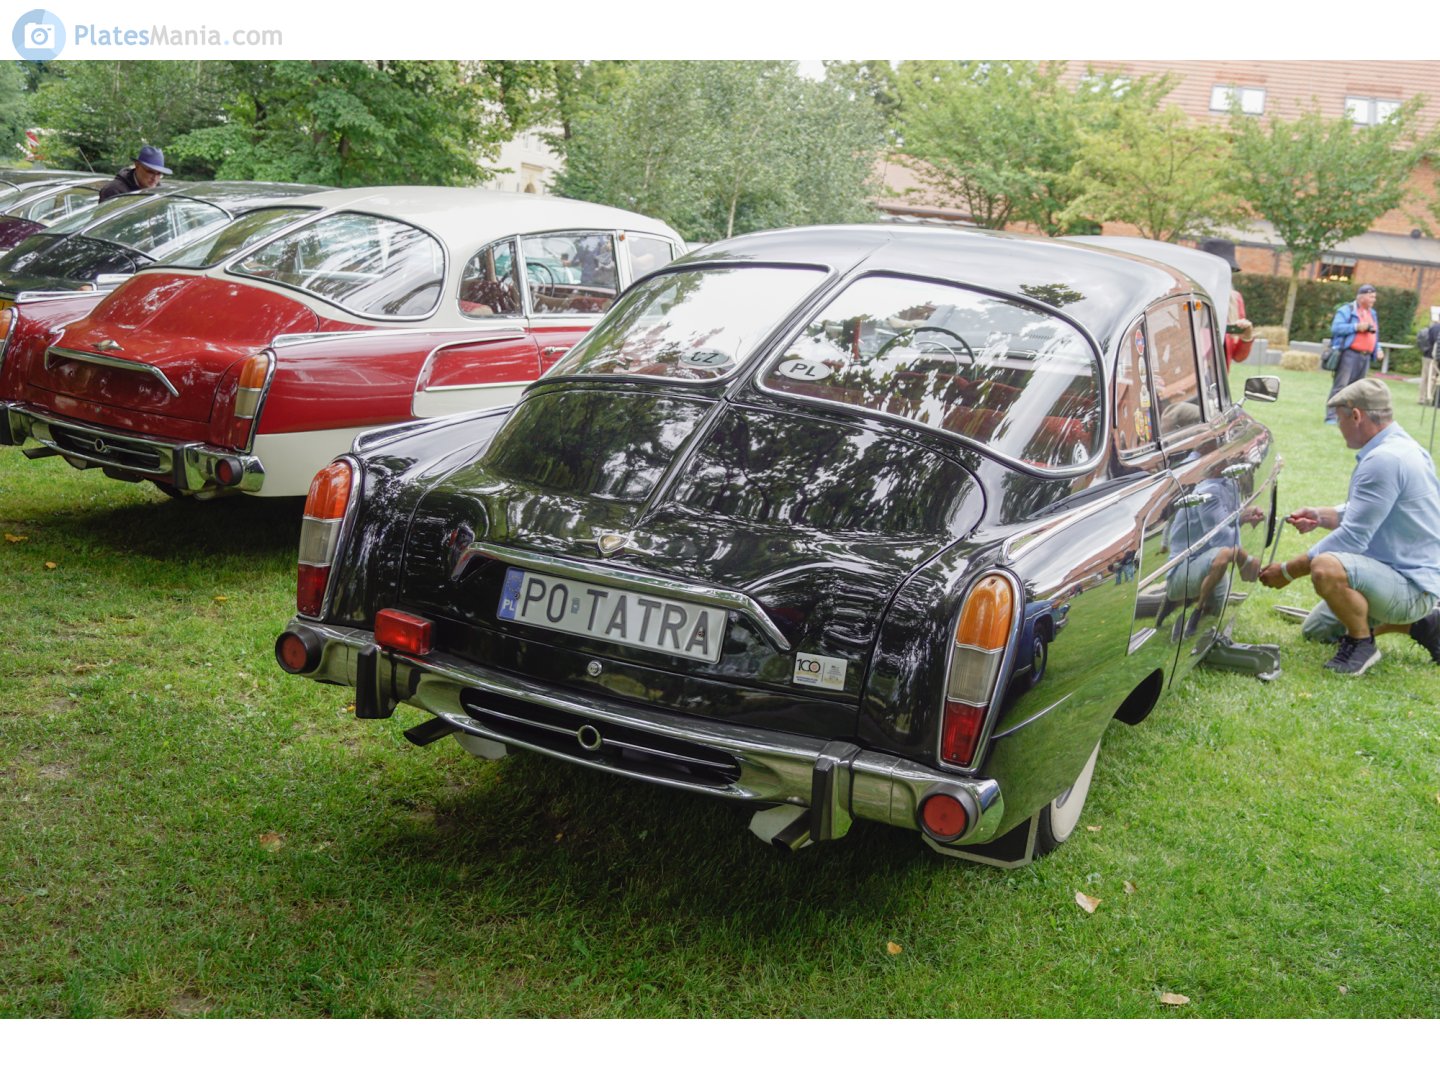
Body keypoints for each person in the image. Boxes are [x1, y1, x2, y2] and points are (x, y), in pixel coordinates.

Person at [1259, 378, 1440, 675]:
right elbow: (1371, 511)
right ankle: (1424, 624)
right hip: (1401, 574)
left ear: (1356, 415)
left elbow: (1354, 536)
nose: (1338, 426)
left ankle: (1361, 644)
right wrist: (1320, 516)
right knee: (1317, 631)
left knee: (1326, 567)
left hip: (1410, 583)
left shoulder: (1385, 460)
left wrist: (1288, 571)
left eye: (1339, 418)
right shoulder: (1401, 446)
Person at [1325, 284, 1384, 423]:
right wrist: (1356, 327)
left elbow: (1375, 334)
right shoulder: (1347, 310)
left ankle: (1347, 418)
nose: (1373, 300)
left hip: (1365, 356)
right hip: (1349, 354)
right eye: (1371, 296)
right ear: (1362, 296)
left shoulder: (1372, 313)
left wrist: (1378, 348)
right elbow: (1336, 328)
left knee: (1357, 390)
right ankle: (1331, 417)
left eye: (1374, 297)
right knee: (1341, 387)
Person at [1198, 238, 1253, 369]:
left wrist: (1246, 337)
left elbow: (1237, 356)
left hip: (1218, 381)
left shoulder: (1235, 300)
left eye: (1228, 270)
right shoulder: (1189, 297)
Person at [97, 145, 171, 202]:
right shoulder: (113, 191)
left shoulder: (160, 191)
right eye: (150, 172)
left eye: (159, 174)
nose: (155, 178)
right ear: (137, 166)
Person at [1415, 313, 1440, 406]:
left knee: (1425, 377)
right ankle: (1428, 397)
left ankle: (1422, 397)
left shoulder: (1433, 327)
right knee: (1432, 378)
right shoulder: (1438, 328)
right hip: (1433, 357)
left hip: (1427, 355)